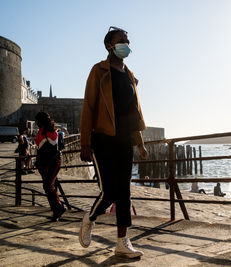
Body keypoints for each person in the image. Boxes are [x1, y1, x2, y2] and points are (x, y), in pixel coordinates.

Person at [79, 26, 148, 259]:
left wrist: (139, 143)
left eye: (127, 41)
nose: (126, 45)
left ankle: (122, 242)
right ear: (110, 45)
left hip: (124, 139)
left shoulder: (129, 75)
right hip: (103, 138)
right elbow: (88, 105)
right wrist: (85, 142)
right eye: (121, 41)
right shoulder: (98, 71)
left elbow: (133, 113)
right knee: (109, 192)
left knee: (124, 193)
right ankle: (90, 218)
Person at [34, 112, 65, 221]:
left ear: (41, 120)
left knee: (48, 186)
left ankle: (58, 209)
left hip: (52, 162)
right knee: (48, 186)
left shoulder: (50, 132)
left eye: (37, 120)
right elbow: (40, 150)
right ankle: (57, 210)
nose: (36, 122)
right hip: (44, 164)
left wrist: (45, 164)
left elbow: (52, 150)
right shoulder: (42, 131)